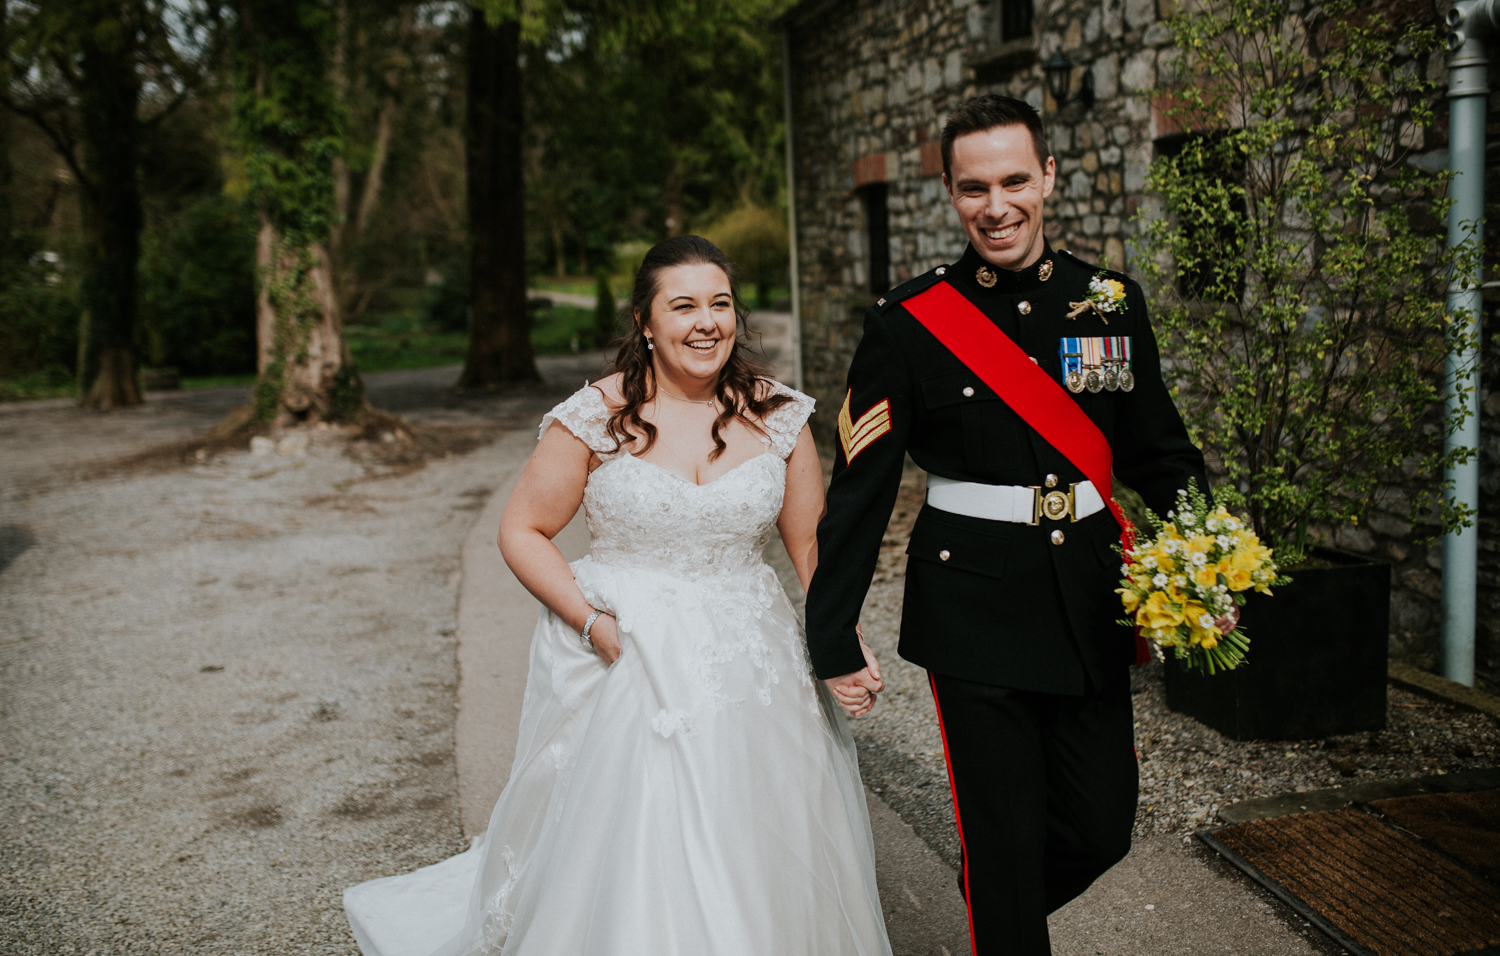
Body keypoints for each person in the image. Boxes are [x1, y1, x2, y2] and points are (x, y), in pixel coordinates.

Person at [343, 235, 892, 956]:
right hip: (630, 653)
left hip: (752, 656)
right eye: (683, 306)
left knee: (758, 830)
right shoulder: (597, 415)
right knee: (641, 838)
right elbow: (522, 530)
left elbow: (812, 547)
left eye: (720, 304)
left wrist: (840, 639)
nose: (706, 323)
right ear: (645, 322)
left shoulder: (780, 416)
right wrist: (588, 621)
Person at [803, 95, 1210, 955]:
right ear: (950, 193)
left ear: (1049, 176)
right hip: (973, 611)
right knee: (1004, 844)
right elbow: (860, 490)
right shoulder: (909, 324)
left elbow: (1160, 453)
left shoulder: (1109, 303)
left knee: (1103, 828)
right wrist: (831, 633)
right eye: (974, 187)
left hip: (1093, 601)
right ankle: (1004, 903)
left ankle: (999, 901)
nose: (997, 206)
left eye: (1015, 180)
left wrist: (1205, 559)